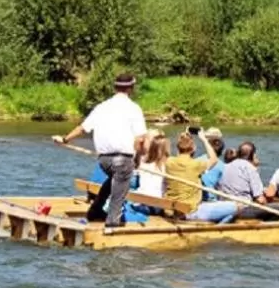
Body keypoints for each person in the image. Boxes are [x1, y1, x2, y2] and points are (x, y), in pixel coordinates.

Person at [54, 73, 147, 232]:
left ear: (114, 88)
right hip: (122, 159)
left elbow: (82, 128)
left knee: (113, 180)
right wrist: (138, 159)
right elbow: (140, 139)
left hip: (104, 161)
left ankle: (95, 210)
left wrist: (65, 139)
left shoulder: (102, 107)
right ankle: (111, 225)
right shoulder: (134, 109)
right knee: (119, 194)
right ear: (131, 89)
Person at [191, 143, 279, 223]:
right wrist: (268, 201)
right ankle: (266, 232)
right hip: (241, 209)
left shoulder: (226, 166)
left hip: (224, 207)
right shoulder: (250, 168)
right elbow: (260, 199)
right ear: (253, 155)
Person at [162, 131, 207, 220]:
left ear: (178, 147)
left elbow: (165, 149)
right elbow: (214, 159)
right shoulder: (196, 164)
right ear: (193, 148)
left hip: (169, 208)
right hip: (190, 209)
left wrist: (182, 138)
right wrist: (204, 140)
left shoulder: (169, 161)